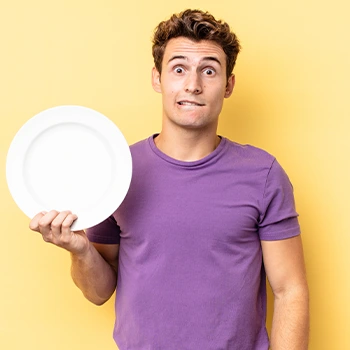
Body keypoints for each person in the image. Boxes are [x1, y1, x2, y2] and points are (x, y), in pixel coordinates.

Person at [29, 9, 309, 350]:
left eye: (209, 70)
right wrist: (79, 249)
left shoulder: (263, 174)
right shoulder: (117, 170)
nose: (193, 85)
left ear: (229, 84)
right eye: (179, 69)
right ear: (158, 78)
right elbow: (98, 292)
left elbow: (289, 289)